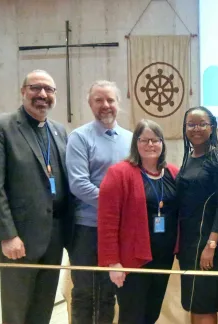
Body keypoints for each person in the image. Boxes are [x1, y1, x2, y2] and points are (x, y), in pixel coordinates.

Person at [0, 70, 73, 324]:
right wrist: (8, 235)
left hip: (54, 236)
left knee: (43, 310)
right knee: (17, 312)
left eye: (49, 90)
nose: (42, 94)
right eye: (35, 88)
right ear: (23, 92)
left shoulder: (59, 131)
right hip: (18, 238)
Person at [97, 119, 179, 323]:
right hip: (132, 260)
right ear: (136, 143)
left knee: (151, 313)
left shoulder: (172, 172)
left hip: (163, 257)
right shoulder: (119, 173)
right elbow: (107, 221)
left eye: (155, 140)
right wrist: (112, 262)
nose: (150, 145)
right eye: (145, 140)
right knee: (132, 316)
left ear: (162, 143)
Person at [66, 80, 133, 324]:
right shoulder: (79, 138)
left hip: (119, 233)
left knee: (109, 293)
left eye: (110, 100)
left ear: (118, 104)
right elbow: (79, 185)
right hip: (87, 229)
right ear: (90, 104)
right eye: (99, 100)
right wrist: (115, 208)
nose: (105, 105)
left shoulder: (131, 139)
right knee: (85, 293)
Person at [175, 106, 218, 324]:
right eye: (191, 124)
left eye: (201, 124)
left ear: (212, 127)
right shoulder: (188, 158)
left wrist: (211, 245)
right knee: (192, 302)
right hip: (189, 243)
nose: (196, 128)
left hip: (210, 242)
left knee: (205, 303)